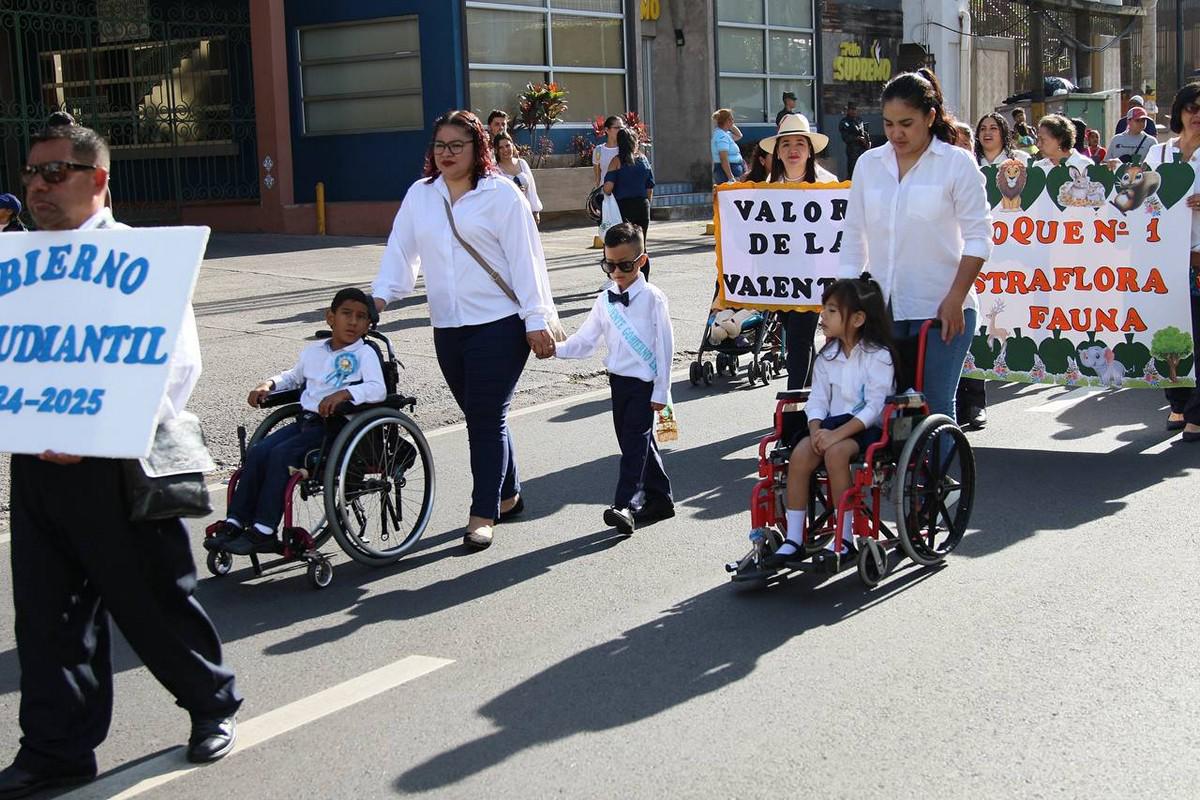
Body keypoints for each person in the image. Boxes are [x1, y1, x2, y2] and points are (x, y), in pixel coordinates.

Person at [1, 124, 240, 799]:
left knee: (154, 602)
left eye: (56, 173)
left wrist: (98, 427)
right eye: (31, 173)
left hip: (117, 459)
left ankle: (211, 704)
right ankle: (57, 750)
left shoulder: (142, 257)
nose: (38, 186)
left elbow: (178, 362)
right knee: (47, 617)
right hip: (37, 463)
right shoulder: (17, 263)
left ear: (98, 179)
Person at [372, 110, 557, 549]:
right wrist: (375, 301)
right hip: (448, 326)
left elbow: (526, 261)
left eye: (458, 145)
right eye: (440, 146)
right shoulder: (421, 195)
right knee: (481, 413)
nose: (447, 154)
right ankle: (508, 495)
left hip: (501, 324)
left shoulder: (502, 195)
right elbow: (402, 254)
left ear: (480, 149)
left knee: (485, 417)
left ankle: (482, 511)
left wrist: (536, 320)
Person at [839, 69, 993, 424]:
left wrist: (956, 297)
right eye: (889, 123)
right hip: (885, 307)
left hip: (943, 307)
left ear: (930, 117)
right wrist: (844, 299)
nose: (896, 133)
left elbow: (979, 238)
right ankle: (898, 480)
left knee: (934, 405)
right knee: (882, 407)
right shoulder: (869, 164)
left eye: (906, 123)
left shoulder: (957, 164)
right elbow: (853, 236)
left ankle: (937, 477)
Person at [207, 289, 386, 556]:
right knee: (259, 452)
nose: (353, 322)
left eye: (361, 317)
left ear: (368, 325)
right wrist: (269, 384)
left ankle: (264, 530)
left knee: (281, 456)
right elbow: (293, 377)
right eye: (346, 314)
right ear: (330, 318)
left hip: (338, 428)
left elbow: (377, 389)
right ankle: (235, 521)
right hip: (307, 422)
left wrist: (345, 393)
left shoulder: (365, 354)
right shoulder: (313, 351)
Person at [765, 277, 897, 569]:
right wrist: (815, 430)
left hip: (867, 428)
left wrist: (836, 435)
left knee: (836, 454)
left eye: (832, 310)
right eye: (824, 308)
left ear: (858, 318)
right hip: (829, 425)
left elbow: (875, 407)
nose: (822, 315)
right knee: (800, 454)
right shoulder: (827, 357)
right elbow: (818, 401)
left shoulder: (879, 357)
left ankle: (845, 538)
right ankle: (794, 539)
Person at [551, 223, 674, 535]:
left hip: (646, 384)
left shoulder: (653, 297)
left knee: (633, 447)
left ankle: (625, 505)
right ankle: (661, 499)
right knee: (635, 441)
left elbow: (666, 346)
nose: (616, 272)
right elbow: (585, 340)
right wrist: (554, 349)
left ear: (641, 261)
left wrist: (662, 388)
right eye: (609, 264)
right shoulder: (605, 299)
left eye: (625, 265)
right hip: (618, 381)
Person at [759, 114, 836, 390]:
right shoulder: (766, 188)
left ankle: (793, 405)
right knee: (796, 337)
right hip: (780, 279)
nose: (793, 149)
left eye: (800, 143)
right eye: (786, 144)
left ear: (810, 149)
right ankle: (808, 400)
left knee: (800, 340)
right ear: (778, 152)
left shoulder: (829, 185)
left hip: (815, 277)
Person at [1143, 82, 1200, 443]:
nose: (1197, 115)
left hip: (1198, 258)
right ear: (1179, 112)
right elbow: (1131, 198)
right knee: (1170, 335)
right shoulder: (1158, 154)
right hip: (1163, 261)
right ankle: (1177, 401)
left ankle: (1196, 413)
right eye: (1191, 108)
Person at [603, 128, 655, 279]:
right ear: (634, 142)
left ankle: (624, 277)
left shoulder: (617, 161)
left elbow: (608, 188)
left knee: (622, 244)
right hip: (642, 205)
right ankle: (643, 279)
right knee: (641, 244)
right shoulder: (643, 159)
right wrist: (647, 204)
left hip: (623, 208)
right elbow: (649, 186)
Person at [493, 131, 543, 226]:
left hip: (526, 212)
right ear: (497, 150)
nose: (505, 150)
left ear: (512, 145)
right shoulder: (495, 170)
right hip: (507, 216)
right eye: (501, 147)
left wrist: (535, 210)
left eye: (507, 146)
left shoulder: (522, 163)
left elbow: (531, 189)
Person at [711, 108, 744, 185]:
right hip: (726, 173)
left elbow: (739, 135)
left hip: (733, 169)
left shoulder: (726, 134)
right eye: (732, 119)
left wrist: (731, 125)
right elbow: (723, 158)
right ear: (727, 120)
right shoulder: (721, 136)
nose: (733, 122)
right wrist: (730, 177)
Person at [839, 102, 871, 177]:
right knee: (853, 170)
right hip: (853, 150)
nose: (854, 111)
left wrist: (868, 141)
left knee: (864, 170)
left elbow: (864, 132)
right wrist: (857, 138)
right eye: (852, 109)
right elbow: (845, 137)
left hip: (863, 148)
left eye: (855, 109)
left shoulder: (859, 120)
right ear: (848, 110)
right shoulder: (844, 122)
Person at [593, 115, 624, 187]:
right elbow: (598, 177)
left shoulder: (626, 148)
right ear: (607, 130)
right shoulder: (598, 150)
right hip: (605, 193)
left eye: (622, 128)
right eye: (617, 128)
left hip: (623, 193)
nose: (620, 130)